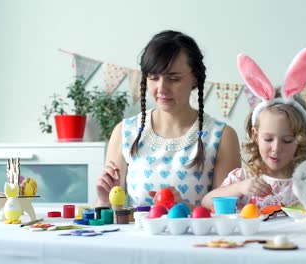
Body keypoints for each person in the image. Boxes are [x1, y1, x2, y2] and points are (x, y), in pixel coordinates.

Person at [95, 30, 241, 208]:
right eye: (154, 78)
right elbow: (109, 215)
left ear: (194, 77)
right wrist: (103, 201)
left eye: (174, 78)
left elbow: (227, 214)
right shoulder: (125, 132)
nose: (162, 88)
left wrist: (184, 207)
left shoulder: (222, 137)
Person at [201, 48, 306, 215]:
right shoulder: (242, 178)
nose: (276, 148)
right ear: (256, 135)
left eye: (286, 140)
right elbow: (206, 202)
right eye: (268, 139)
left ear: (300, 139)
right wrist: (240, 188)